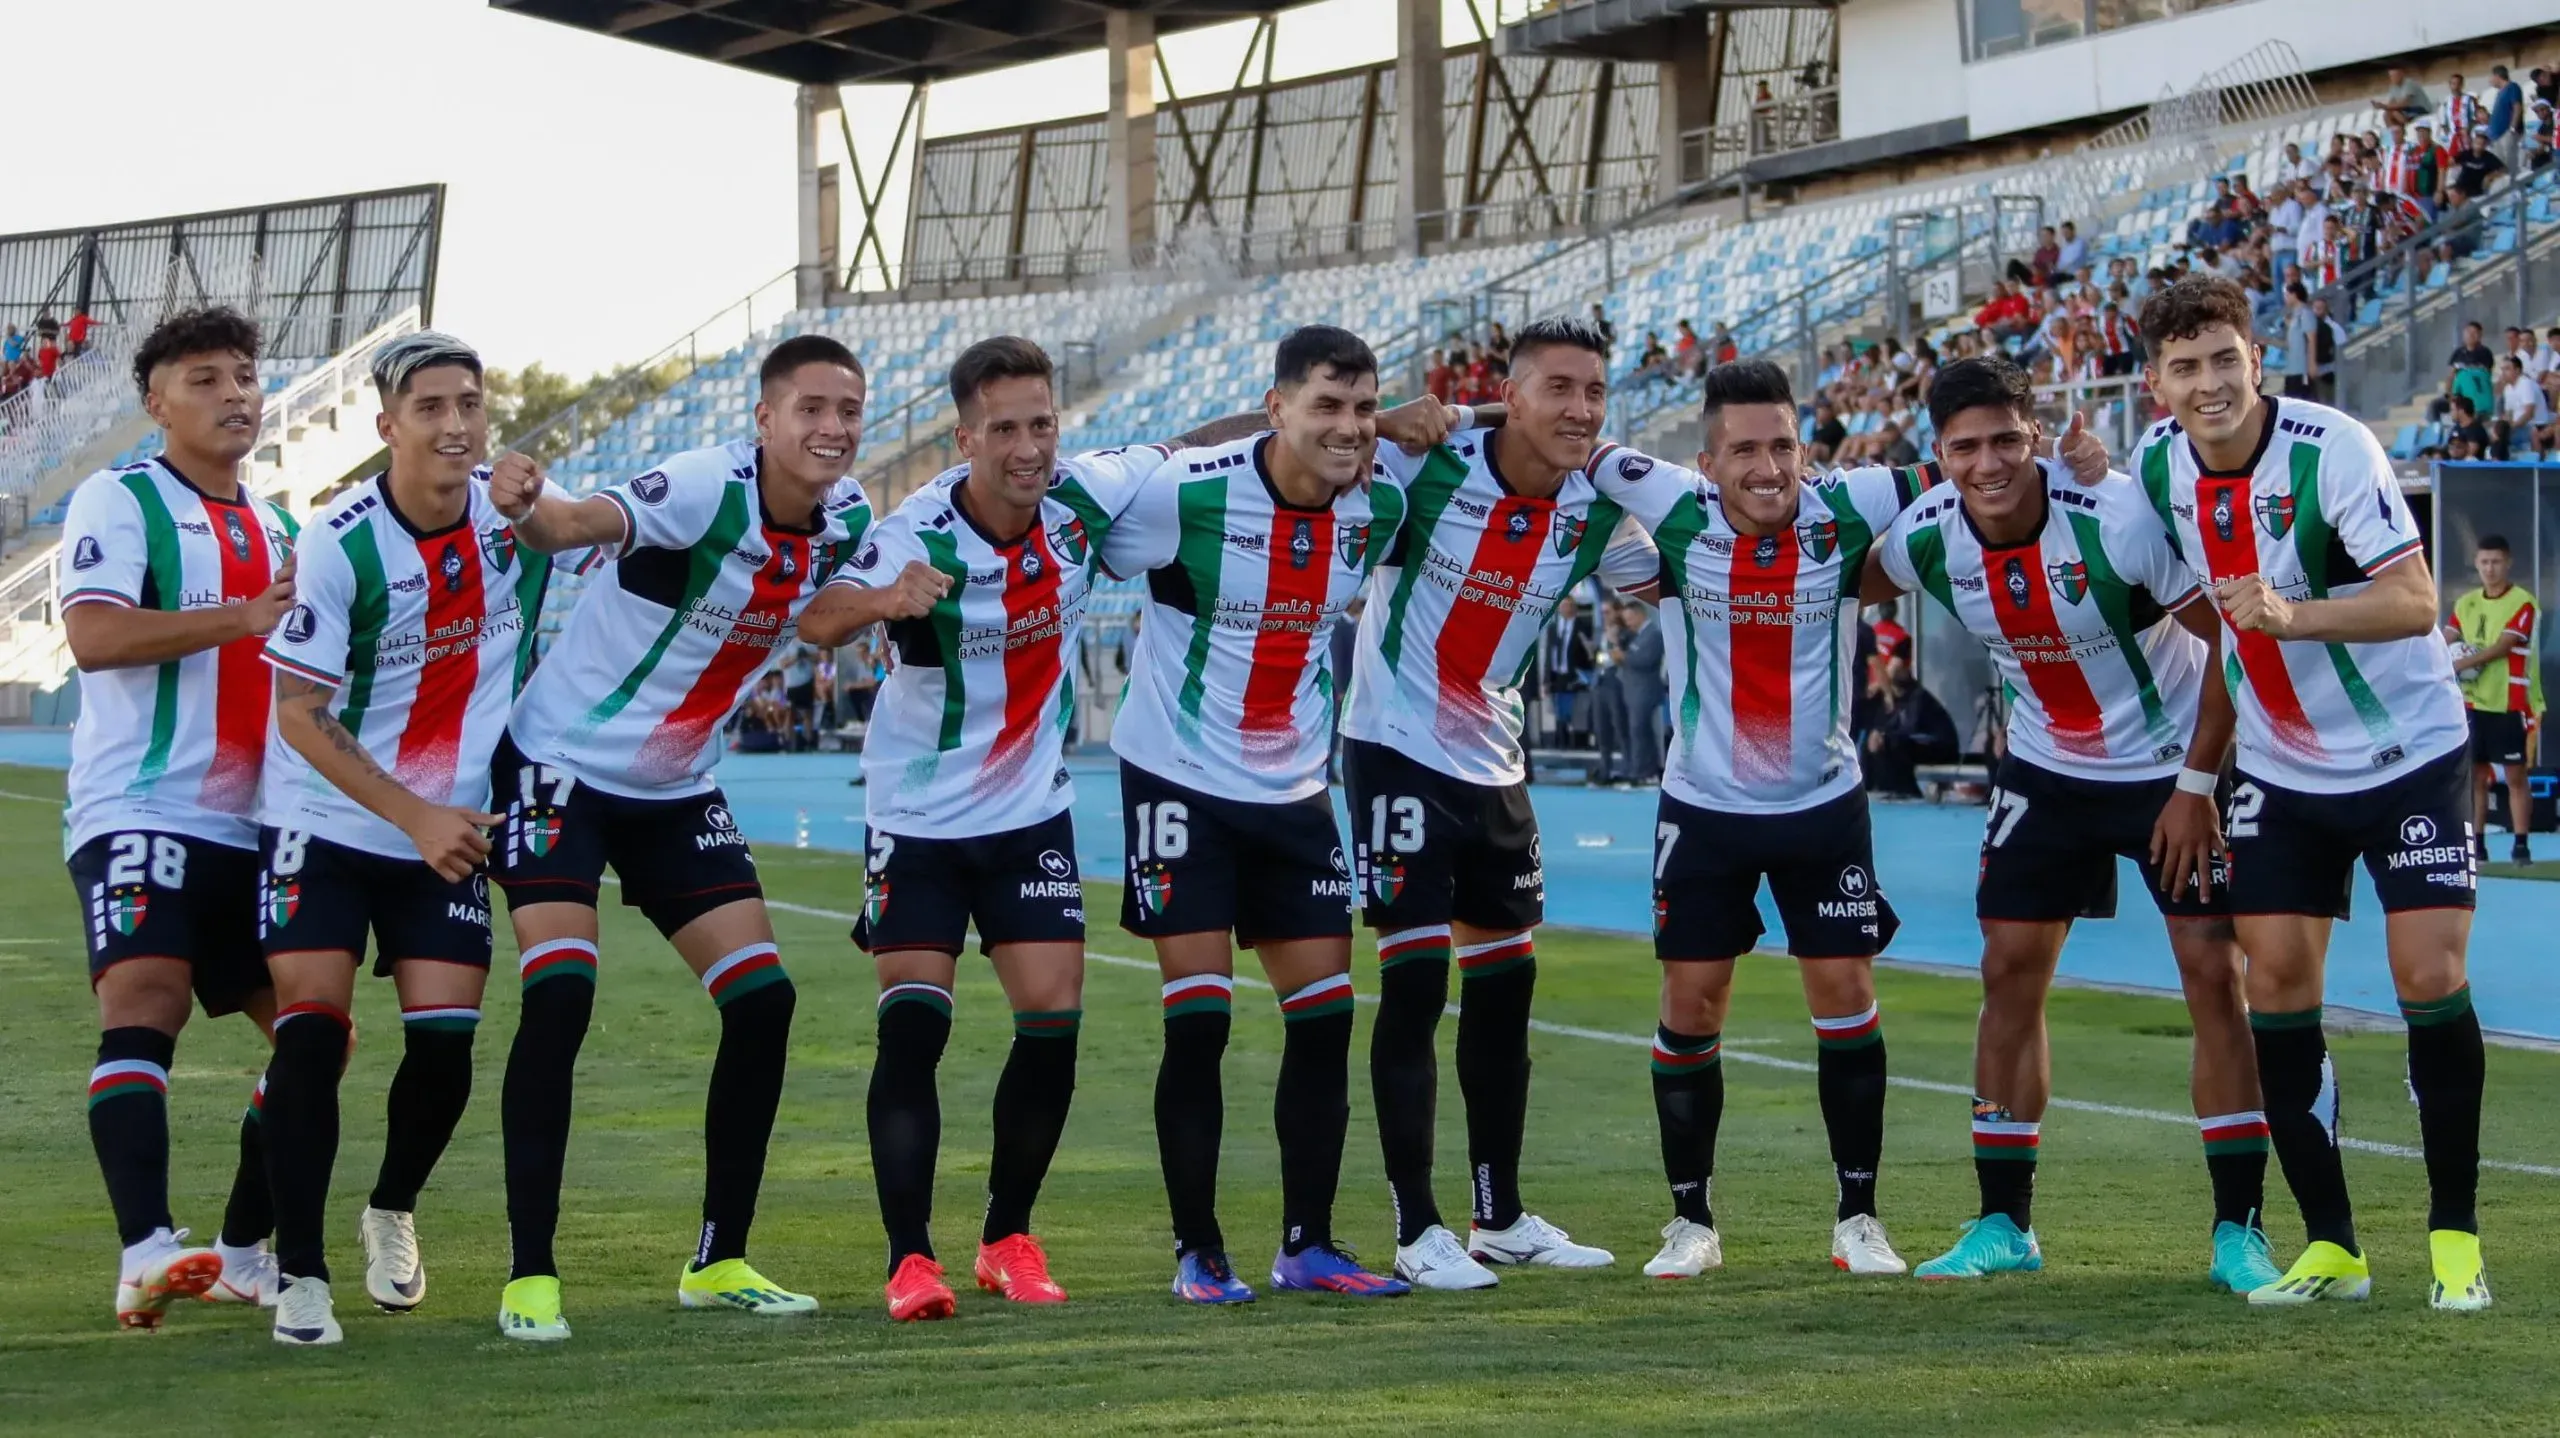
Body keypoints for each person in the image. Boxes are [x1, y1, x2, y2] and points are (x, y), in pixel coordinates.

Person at [479, 333, 890, 1339]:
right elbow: (575, 522)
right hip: (558, 768)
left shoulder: (849, 518)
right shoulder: (707, 484)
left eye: (847, 410)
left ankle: (720, 1259)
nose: (832, 428)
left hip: (673, 790)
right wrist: (527, 498)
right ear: (764, 419)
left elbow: (832, 611)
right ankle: (530, 1275)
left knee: (764, 1001)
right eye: (810, 408)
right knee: (562, 991)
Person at [1862, 355, 2273, 1290]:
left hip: (2174, 769)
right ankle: (2005, 1222)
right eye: (1966, 446)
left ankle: (2237, 1230)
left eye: (2006, 439)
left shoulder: (2117, 515)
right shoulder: (1926, 535)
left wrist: (2198, 784)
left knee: (2215, 974)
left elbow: (2232, 645)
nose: (1989, 463)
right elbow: (1830, 580)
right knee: (2007, 974)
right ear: (1939, 454)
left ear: (2035, 437)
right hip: (2047, 773)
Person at [2132, 275, 2488, 1311]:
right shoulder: (2155, 473)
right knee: (2275, 985)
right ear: (2155, 382)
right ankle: (2332, 1245)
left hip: (2407, 750)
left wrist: (2293, 617)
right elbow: (2177, 611)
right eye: (2185, 367)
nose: (2209, 385)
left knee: (2426, 973)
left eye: (2224, 360)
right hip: (2282, 768)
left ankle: (2455, 1238)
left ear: (2257, 358)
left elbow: (2418, 598)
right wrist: (2197, 771)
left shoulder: (2331, 448)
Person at [1091, 328, 1457, 1304]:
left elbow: (1461, 443)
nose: (1347, 429)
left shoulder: (1376, 503)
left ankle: (1309, 1245)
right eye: (1324, 407)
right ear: (1277, 406)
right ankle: (1198, 1252)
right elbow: (1131, 491)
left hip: (1295, 792)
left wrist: (1411, 424)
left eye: (1363, 409)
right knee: (1199, 1022)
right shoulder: (1190, 492)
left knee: (1324, 1018)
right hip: (1176, 779)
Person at [1342, 316, 1656, 1287]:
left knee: (1504, 997)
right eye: (1558, 387)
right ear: (1508, 393)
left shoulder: (1598, 508)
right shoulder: (1421, 466)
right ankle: (1415, 1225)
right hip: (1393, 748)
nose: (1580, 408)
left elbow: (1686, 577)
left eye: (1594, 391)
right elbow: (1271, 447)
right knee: (1411, 984)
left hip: (1495, 764)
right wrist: (1369, 418)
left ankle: (1500, 1215)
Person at [253, 332, 554, 1346]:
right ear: (386, 426)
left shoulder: (512, 524)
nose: (455, 423)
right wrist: (414, 814)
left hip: (448, 824)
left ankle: (391, 1205)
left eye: (469, 402)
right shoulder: (339, 540)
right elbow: (298, 712)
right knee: (312, 1029)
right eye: (429, 406)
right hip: (329, 815)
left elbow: (609, 534)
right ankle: (298, 1273)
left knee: (444, 1044)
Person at [59, 306, 297, 1330]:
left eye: (244, 376)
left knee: (313, 1035)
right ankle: (147, 1246)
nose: (235, 394)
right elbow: (95, 636)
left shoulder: (282, 525)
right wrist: (240, 618)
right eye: (205, 379)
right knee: (144, 999)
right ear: (156, 403)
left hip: (258, 824)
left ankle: (242, 1250)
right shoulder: (118, 499)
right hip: (142, 804)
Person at [2448, 536, 2542, 863]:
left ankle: (2521, 844)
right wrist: (2427, 648)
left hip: (2509, 702)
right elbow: (2449, 636)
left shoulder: (2523, 602)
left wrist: (2459, 663)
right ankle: (2478, 845)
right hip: (2472, 703)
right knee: (2475, 776)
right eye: (2484, 562)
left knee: (2516, 776)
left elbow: (2504, 646)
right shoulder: (2466, 602)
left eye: (2496, 562)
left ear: (2508, 562)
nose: (2490, 568)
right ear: (2476, 563)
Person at [1861, 657, 1958, 797]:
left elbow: (1909, 729)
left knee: (1895, 743)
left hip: (1940, 745)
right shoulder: (1886, 700)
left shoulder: (1918, 696)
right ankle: (1869, 792)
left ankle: (1907, 793)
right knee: (1870, 744)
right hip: (1916, 743)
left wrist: (1883, 735)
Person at [1541, 595, 1595, 748]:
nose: (1567, 608)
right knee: (1559, 711)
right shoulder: (1553, 628)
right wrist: (1546, 679)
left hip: (1576, 676)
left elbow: (1589, 652)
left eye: (1570, 605)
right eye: (1564, 605)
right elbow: (1548, 655)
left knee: (1577, 712)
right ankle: (1561, 742)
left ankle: (1579, 743)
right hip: (1558, 675)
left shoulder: (1583, 626)